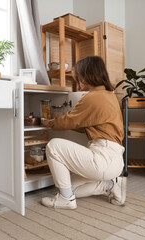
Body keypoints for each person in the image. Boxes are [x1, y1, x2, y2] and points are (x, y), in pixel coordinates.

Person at [41, 56, 126, 210]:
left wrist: (50, 123)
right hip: (116, 160)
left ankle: (66, 200)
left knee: (53, 146)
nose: (77, 82)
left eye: (78, 77)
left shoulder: (91, 97)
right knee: (68, 187)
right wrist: (63, 120)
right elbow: (83, 124)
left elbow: (69, 122)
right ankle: (111, 184)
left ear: (87, 75)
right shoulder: (109, 96)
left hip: (102, 158)